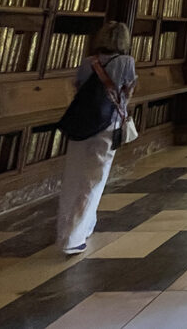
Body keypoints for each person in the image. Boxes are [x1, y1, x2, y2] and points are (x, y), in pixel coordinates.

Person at [56, 22, 137, 255]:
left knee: (72, 177)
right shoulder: (126, 62)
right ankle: (73, 238)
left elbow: (77, 87)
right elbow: (128, 92)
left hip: (82, 122)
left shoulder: (87, 62)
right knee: (94, 180)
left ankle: (70, 229)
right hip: (107, 124)